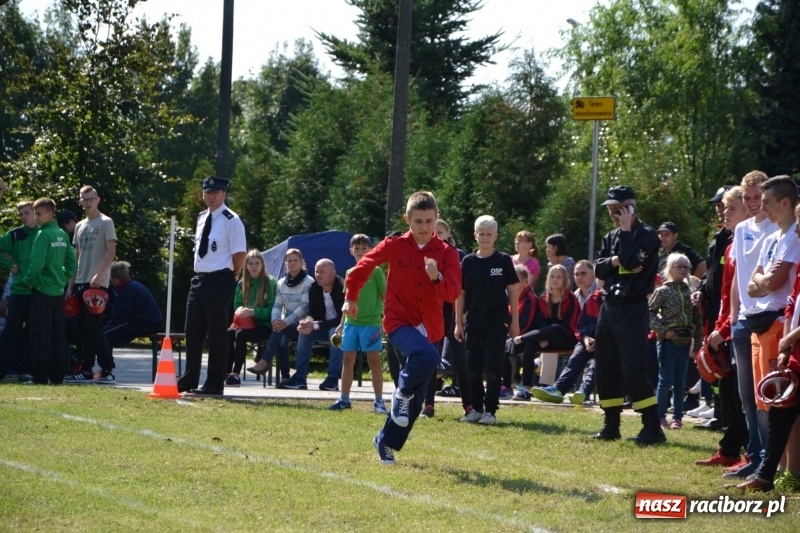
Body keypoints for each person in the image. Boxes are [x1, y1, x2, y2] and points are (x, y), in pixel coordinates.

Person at [342, 191, 460, 465]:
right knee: (429, 359)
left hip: (430, 328)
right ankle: (401, 392)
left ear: (437, 219)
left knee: (417, 402)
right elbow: (364, 266)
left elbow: (453, 293)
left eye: (429, 221)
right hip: (398, 323)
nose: (424, 227)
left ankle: (385, 441)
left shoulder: (447, 253)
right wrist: (351, 297)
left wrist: (437, 277)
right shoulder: (394, 245)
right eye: (418, 221)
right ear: (407, 219)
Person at [733, 202, 800, 493]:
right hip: (794, 344)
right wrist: (788, 341)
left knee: (783, 408)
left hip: (792, 338)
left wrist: (790, 336)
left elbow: (774, 285)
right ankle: (766, 475)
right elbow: (792, 302)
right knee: (781, 408)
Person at [592, 185, 664, 445]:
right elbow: (599, 269)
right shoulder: (611, 236)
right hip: (609, 307)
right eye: (610, 207)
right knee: (606, 366)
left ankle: (652, 426)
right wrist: (613, 261)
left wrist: (625, 233)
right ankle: (611, 424)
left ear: (630, 206)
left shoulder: (648, 235)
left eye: (617, 207)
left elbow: (632, 261)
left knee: (634, 368)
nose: (612, 212)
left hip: (633, 307)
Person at [723, 171, 775, 479]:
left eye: (757, 197)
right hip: (742, 320)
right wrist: (732, 315)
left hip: (767, 318)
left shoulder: (777, 227)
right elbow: (737, 277)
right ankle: (754, 455)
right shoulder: (740, 229)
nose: (753, 203)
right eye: (748, 198)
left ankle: (769, 460)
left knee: (763, 394)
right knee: (745, 396)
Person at [695, 186, 751, 467]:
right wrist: (704, 291)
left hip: (740, 325)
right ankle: (729, 451)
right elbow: (722, 287)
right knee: (728, 392)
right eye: (723, 207)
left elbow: (742, 294)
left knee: (745, 397)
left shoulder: (749, 242)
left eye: (731, 208)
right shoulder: (725, 241)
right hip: (723, 322)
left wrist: (725, 327)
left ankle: (751, 456)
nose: (723, 212)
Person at [177, 176, 246, 395]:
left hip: (220, 278)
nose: (211, 196)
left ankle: (215, 383)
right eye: (208, 192)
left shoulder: (231, 219)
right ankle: (189, 379)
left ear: (224, 194)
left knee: (217, 333)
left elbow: (240, 254)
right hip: (200, 279)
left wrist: (232, 274)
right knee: (193, 331)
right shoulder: (201, 218)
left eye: (216, 192)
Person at [454, 215, 519, 425]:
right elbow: (460, 294)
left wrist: (515, 321)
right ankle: (476, 409)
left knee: (493, 367)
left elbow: (513, 292)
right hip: (474, 323)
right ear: (475, 235)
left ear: (496, 236)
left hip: (497, 323)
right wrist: (458, 322)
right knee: (472, 368)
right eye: (481, 233)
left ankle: (491, 411)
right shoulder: (468, 262)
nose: (485, 237)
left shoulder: (503, 260)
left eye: (489, 234)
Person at [19, 198, 77, 384]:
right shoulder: (61, 234)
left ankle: (40, 377)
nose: (36, 217)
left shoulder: (43, 235)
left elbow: (37, 263)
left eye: (39, 214)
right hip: (57, 292)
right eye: (35, 213)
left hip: (42, 290)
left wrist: (29, 281)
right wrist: (62, 279)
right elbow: (71, 262)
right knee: (57, 335)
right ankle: (58, 376)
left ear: (50, 214)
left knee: (39, 335)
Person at [329, 234, 388, 413]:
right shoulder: (349, 273)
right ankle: (344, 399)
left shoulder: (376, 271)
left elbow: (385, 297)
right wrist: (341, 324)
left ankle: (379, 401)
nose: (360, 252)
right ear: (351, 250)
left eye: (364, 248)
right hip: (351, 324)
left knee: (374, 361)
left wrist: (386, 319)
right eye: (357, 248)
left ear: (370, 250)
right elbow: (348, 301)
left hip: (371, 324)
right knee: (347, 361)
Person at [65, 185, 117, 385]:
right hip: (80, 281)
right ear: (80, 201)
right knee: (83, 329)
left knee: (95, 328)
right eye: (84, 199)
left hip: (97, 283)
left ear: (98, 199)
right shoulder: (79, 226)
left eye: (91, 199)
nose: (87, 202)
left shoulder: (106, 222)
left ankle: (107, 368)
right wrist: (70, 285)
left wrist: (100, 274)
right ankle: (86, 369)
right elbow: (76, 258)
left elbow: (111, 252)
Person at [531, 260, 599, 404]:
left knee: (600, 357)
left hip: (604, 337)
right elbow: (580, 324)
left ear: (593, 275)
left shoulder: (599, 294)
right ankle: (558, 389)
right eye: (576, 274)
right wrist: (585, 337)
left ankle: (583, 391)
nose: (579, 277)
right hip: (584, 338)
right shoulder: (577, 295)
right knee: (576, 357)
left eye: (583, 274)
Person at [649, 253, 703, 430]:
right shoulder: (663, 291)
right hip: (667, 342)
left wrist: (698, 343)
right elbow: (649, 313)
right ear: (670, 269)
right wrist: (664, 332)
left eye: (686, 267)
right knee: (665, 380)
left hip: (685, 341)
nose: (683, 270)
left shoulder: (690, 292)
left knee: (681, 382)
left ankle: (677, 417)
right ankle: (660, 416)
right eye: (679, 267)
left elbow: (697, 318)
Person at [512, 265, 580, 401]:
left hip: (567, 338)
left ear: (565, 280)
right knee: (530, 343)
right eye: (552, 276)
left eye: (559, 277)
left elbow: (570, 324)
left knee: (555, 328)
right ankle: (525, 388)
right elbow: (540, 322)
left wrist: (545, 334)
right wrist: (542, 337)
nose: (555, 279)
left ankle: (520, 338)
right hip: (546, 339)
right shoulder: (543, 298)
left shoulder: (571, 298)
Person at [247, 248, 313, 385]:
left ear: (302, 263)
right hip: (285, 324)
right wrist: (275, 320)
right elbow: (277, 306)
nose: (292, 263)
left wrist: (285, 322)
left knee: (280, 330)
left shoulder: (308, 281)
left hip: (304, 323)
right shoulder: (281, 283)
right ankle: (285, 377)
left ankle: (264, 361)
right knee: (281, 341)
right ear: (285, 264)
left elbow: (305, 306)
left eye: (296, 260)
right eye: (289, 261)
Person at [287, 258, 345, 391]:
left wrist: (316, 325)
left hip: (344, 329)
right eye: (316, 271)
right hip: (323, 327)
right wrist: (308, 322)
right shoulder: (314, 288)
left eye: (322, 271)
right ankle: (300, 378)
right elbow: (312, 312)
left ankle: (332, 379)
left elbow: (341, 319)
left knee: (334, 333)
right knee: (304, 332)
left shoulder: (342, 287)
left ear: (333, 272)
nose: (318, 275)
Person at [225, 249, 276, 386]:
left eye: (257, 263)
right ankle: (226, 372)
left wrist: (253, 312)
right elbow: (237, 305)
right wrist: (241, 310)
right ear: (246, 266)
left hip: (265, 325)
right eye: (251, 263)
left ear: (262, 265)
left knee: (241, 335)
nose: (254, 266)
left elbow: (273, 309)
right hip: (245, 324)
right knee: (229, 333)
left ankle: (236, 375)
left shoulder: (270, 282)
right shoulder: (242, 283)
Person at [0, 201, 37, 380]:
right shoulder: (13, 235)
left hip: (38, 291)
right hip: (18, 290)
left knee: (32, 332)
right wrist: (10, 265)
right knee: (10, 331)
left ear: (35, 213)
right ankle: (2, 370)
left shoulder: (44, 233)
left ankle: (27, 370)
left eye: (27, 212)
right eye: (21, 213)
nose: (23, 216)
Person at [103, 261, 163, 357]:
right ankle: (107, 366)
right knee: (105, 331)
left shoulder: (127, 291)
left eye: (110, 278)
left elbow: (118, 318)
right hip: (150, 322)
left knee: (102, 334)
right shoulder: (133, 286)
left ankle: (107, 367)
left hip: (144, 325)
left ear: (116, 280)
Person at [500, 265, 537, 399]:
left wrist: (514, 338)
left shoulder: (530, 298)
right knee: (500, 348)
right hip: (514, 336)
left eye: (516, 279)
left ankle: (526, 387)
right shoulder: (510, 296)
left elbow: (528, 323)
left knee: (524, 348)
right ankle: (506, 386)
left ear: (524, 281)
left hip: (528, 337)